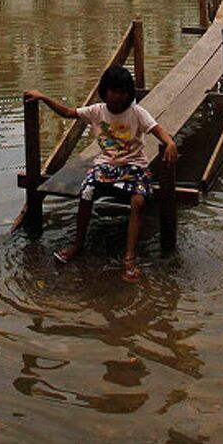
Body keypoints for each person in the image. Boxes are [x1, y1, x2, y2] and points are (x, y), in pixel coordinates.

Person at [24, 64, 178, 282]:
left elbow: (157, 130)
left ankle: (129, 257)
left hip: (134, 165)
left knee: (138, 201)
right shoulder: (97, 111)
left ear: (129, 94)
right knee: (86, 191)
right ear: (105, 90)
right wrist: (42, 97)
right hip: (105, 165)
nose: (117, 97)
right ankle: (78, 244)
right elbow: (68, 113)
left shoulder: (136, 112)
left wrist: (170, 143)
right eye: (113, 91)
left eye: (122, 92)